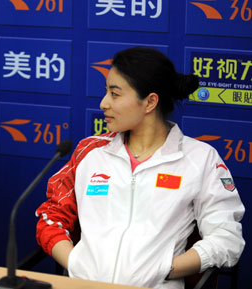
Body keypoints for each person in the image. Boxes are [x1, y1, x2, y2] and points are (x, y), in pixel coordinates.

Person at [35, 47, 245, 289]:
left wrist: (165, 269)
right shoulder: (90, 152)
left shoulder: (201, 159)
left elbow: (227, 239)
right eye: (106, 92)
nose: (103, 103)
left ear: (150, 102)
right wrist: (75, 262)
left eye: (115, 94)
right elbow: (50, 217)